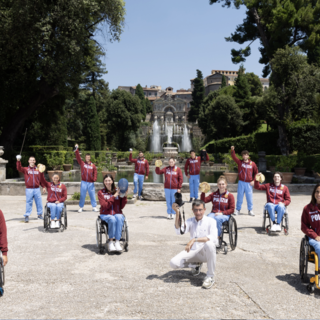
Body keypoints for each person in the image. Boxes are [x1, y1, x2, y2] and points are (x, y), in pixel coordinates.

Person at [170, 200, 218, 289]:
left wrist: (194, 240)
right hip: (193, 252)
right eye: (196, 210)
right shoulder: (190, 221)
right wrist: (177, 212)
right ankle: (195, 265)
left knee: (210, 244)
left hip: (204, 252)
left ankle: (210, 276)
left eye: (200, 210)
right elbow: (178, 231)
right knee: (173, 263)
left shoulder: (211, 221)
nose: (198, 212)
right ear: (192, 210)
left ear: (204, 210)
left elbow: (213, 238)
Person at [98, 174, 128, 252]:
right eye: (106, 181)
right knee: (112, 219)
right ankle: (111, 242)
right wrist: (114, 196)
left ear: (112, 181)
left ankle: (117, 242)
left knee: (120, 217)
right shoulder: (101, 193)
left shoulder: (117, 190)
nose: (108, 182)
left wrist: (125, 196)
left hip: (116, 212)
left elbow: (121, 206)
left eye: (109, 180)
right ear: (104, 182)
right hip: (105, 214)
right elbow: (104, 206)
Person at [201, 175, 235, 240]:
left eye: (223, 184)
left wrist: (222, 213)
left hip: (224, 215)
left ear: (226, 185)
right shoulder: (214, 194)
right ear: (217, 185)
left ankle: (217, 237)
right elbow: (203, 201)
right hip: (214, 213)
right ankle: (208, 237)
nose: (221, 186)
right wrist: (203, 192)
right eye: (219, 184)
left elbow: (232, 209)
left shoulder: (230, 196)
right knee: (207, 219)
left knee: (217, 219)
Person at [231, 146, 258, 216]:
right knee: (239, 196)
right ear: (242, 156)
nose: (245, 156)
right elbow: (234, 157)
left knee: (249, 197)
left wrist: (254, 180)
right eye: (243, 155)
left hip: (249, 183)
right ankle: (237, 210)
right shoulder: (240, 162)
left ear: (248, 156)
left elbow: (256, 173)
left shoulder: (252, 164)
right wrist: (232, 150)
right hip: (241, 182)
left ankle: (250, 210)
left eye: (246, 155)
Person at [16, 155, 45, 222]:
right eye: (31, 160)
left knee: (39, 202)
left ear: (35, 161)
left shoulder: (38, 170)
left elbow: (41, 179)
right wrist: (18, 161)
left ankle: (40, 215)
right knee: (28, 202)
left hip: (37, 189)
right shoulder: (26, 169)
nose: (32, 161)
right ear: (28, 161)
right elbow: (19, 168)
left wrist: (43, 186)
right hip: (29, 189)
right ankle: (27, 215)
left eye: (33, 160)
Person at [74, 144, 98, 213]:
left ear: (90, 158)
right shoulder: (82, 163)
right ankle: (81, 207)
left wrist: (94, 179)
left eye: (88, 157)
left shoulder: (93, 165)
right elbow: (78, 158)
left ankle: (94, 207)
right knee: (82, 195)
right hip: (84, 182)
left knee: (92, 195)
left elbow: (95, 172)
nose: (87, 158)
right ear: (85, 158)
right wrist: (77, 150)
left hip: (91, 183)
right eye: (86, 157)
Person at [301, 184, 320, 268]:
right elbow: (304, 226)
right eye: (317, 191)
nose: (319, 194)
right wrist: (315, 236)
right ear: (314, 193)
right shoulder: (307, 208)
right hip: (314, 237)